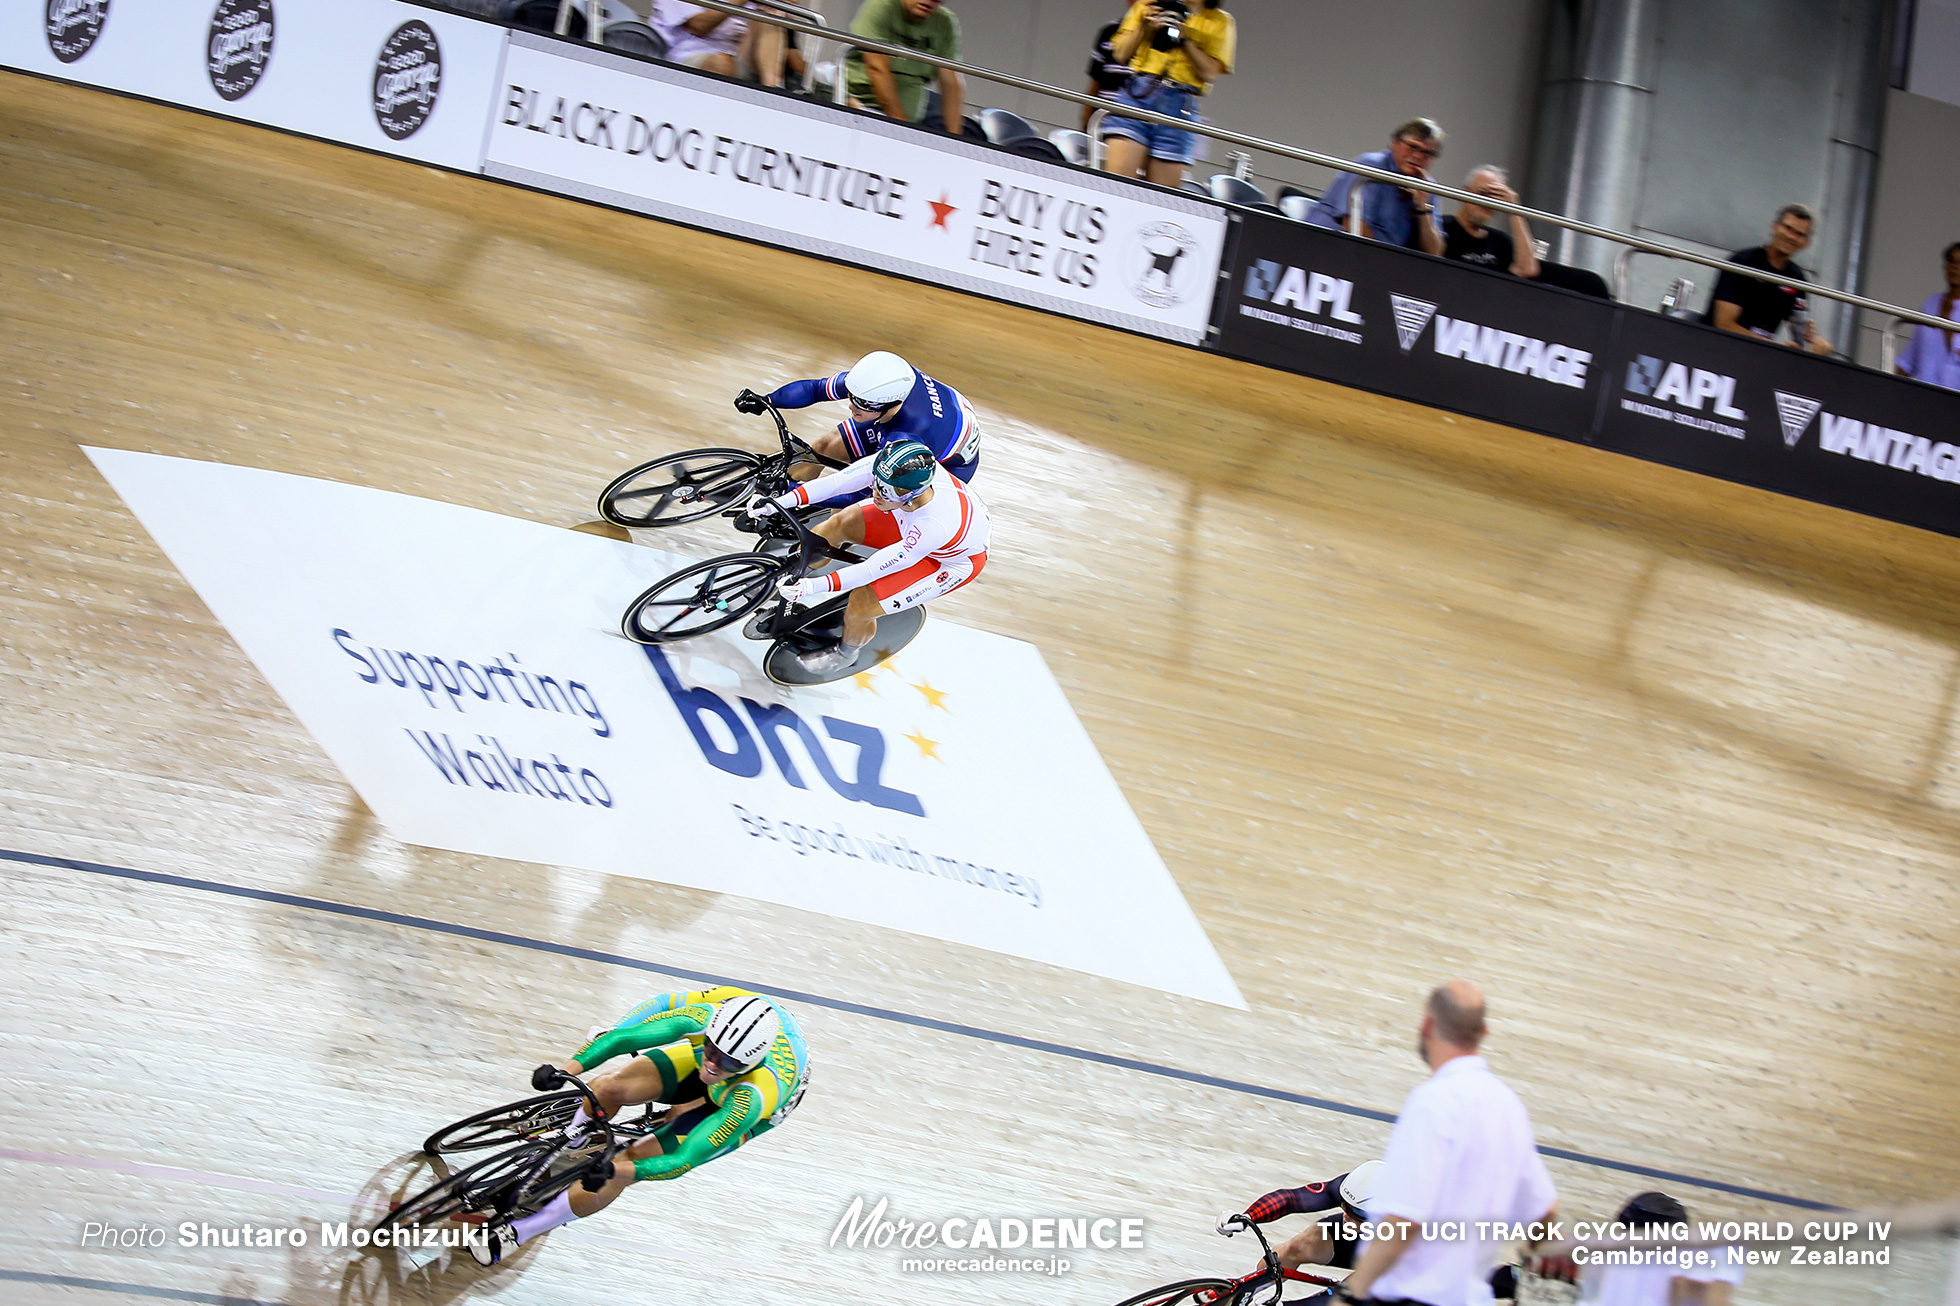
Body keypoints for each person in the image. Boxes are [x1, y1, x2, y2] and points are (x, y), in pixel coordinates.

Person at [471, 988, 810, 1265]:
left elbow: (682, 1162)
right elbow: (627, 1036)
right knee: (608, 1086)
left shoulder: (752, 1099)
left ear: (751, 1060)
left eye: (729, 1061)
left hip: (740, 1100)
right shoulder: (705, 1017)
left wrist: (615, 1172)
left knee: (633, 1158)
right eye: (710, 1049)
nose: (712, 1062)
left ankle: (522, 1230)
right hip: (726, 1066)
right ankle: (573, 1139)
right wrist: (567, 1069)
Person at [1341, 981, 1558, 1306]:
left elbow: (1405, 1220)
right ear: (1483, 1032)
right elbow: (1544, 1212)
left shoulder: (1433, 1102)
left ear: (1427, 1025)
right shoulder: (1508, 1106)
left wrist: (1352, 1294)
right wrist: (1529, 1274)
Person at [758, 441, 989, 672]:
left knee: (862, 604)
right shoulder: (896, 466)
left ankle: (846, 653)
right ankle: (790, 574)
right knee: (839, 524)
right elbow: (836, 483)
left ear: (912, 494)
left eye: (886, 490)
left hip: (947, 561)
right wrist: (779, 503)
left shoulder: (934, 525)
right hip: (907, 518)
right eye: (877, 482)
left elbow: (872, 569)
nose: (876, 493)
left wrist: (811, 588)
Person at [737, 350, 981, 497]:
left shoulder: (908, 434)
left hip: (947, 462)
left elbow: (863, 490)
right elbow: (816, 389)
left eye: (862, 404)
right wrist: (767, 399)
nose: (851, 406)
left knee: (848, 513)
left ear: (890, 404)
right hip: (922, 416)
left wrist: (794, 493)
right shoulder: (877, 385)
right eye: (852, 397)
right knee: (823, 447)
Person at [1098, 0, 1235, 190]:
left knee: (1161, 197)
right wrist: (1145, 26)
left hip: (1180, 105)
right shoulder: (1149, 4)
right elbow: (1120, 54)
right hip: (1138, 94)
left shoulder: (1220, 21)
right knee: (1117, 186)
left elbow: (1209, 72)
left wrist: (1185, 38)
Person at [1303, 120, 1447, 257]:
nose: (1418, 156)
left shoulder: (1427, 186)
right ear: (1395, 143)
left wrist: (1423, 210)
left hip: (1379, 263)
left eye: (1427, 153)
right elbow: (1355, 229)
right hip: (1326, 247)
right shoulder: (1371, 166)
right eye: (1413, 147)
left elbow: (1434, 253)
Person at [1706, 204, 1832, 354]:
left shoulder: (1797, 279)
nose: (1791, 236)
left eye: (1799, 234)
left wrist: (1812, 340)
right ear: (1774, 227)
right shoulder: (1742, 262)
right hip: (1715, 350)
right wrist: (1772, 347)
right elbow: (1723, 324)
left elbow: (1799, 332)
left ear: (1806, 243)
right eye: (1787, 228)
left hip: (1758, 358)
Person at [1218, 1160, 1383, 1273]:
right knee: (1299, 1246)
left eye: (1358, 1212)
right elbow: (1292, 1199)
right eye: (1344, 1205)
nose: (1346, 1214)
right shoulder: (1351, 1189)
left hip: (1397, 1253)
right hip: (1365, 1236)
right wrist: (1248, 1216)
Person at [846, 0, 963, 133]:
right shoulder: (881, 7)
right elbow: (877, 68)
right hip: (861, 108)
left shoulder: (945, 22)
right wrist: (901, 127)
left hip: (909, 121)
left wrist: (954, 138)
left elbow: (950, 83)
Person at [653, 0, 792, 88]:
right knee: (722, 63)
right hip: (685, 57)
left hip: (739, 57)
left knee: (770, 14)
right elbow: (698, 26)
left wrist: (781, 8)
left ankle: (774, 89)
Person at [1442, 167, 1539, 279]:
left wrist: (1515, 211)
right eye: (1483, 193)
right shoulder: (1442, 226)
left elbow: (1527, 270)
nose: (1487, 202)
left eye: (1495, 197)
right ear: (1466, 193)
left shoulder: (1500, 241)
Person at [1895, 241, 1960, 391]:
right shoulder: (1931, 303)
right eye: (1951, 261)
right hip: (1926, 397)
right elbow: (1910, 358)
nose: (1955, 268)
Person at [1082, 10, 1132, 131]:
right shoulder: (1110, 31)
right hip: (1103, 124)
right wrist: (1086, 127)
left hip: (1140, 126)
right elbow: (1094, 85)